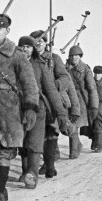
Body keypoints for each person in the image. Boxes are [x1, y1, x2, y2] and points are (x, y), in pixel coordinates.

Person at [0, 14, 39, 201]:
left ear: (7, 31)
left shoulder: (16, 54)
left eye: (0, 28)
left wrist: (31, 107)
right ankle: (0, 185)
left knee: (4, 150)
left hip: (9, 109)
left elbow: (29, 83)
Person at [17, 36, 68, 187]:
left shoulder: (40, 65)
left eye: (28, 46)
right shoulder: (13, 63)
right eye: (22, 46)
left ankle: (32, 173)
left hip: (38, 107)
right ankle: (25, 170)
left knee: (34, 140)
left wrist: (60, 113)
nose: (25, 49)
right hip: (18, 106)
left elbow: (51, 90)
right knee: (22, 141)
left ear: (33, 49)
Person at [29, 30, 80, 178]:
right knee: (36, 133)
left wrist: (51, 85)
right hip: (36, 100)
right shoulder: (27, 58)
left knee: (51, 132)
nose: (38, 44)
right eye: (35, 41)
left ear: (46, 43)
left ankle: (49, 165)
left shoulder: (54, 59)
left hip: (53, 100)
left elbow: (65, 78)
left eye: (41, 41)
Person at [66, 45, 99, 158]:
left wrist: (94, 106)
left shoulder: (86, 69)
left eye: (76, 55)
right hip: (67, 99)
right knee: (69, 124)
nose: (74, 57)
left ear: (80, 56)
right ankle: (76, 146)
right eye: (72, 55)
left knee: (74, 123)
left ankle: (74, 149)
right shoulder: (65, 68)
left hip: (81, 101)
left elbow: (92, 88)